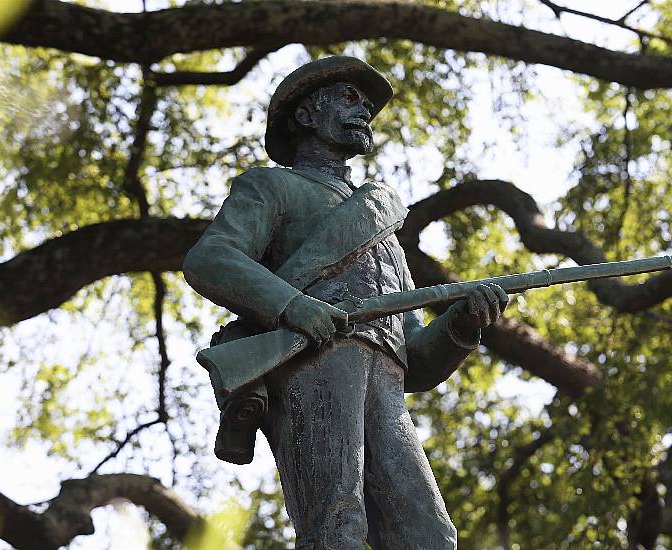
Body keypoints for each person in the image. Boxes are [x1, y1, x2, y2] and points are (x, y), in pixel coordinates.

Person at [183, 56, 508, 549]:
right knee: (337, 523)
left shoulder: (383, 227)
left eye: (367, 106)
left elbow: (414, 355)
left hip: (387, 381)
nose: (364, 115)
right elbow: (211, 259)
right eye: (350, 99)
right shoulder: (272, 186)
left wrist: (461, 325)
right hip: (314, 361)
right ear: (306, 116)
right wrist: (293, 305)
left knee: (431, 535)